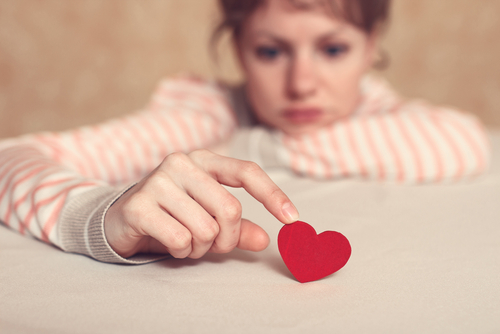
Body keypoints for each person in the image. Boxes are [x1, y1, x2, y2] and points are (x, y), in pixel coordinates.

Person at [0, 0, 490, 264]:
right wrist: (99, 218)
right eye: (271, 52)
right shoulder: (207, 115)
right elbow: (13, 156)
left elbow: (464, 143)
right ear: (238, 49)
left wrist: (254, 148)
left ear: (371, 46)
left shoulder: (379, 107)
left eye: (333, 50)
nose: (302, 85)